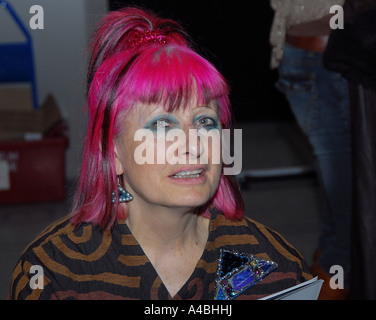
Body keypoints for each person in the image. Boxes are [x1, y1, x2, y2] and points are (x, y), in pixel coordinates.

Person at [9, 7, 311, 300]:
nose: (193, 145)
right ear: (111, 152)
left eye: (205, 121)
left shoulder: (276, 270)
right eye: (163, 125)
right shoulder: (54, 276)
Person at [270, 0, 352, 299]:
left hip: (301, 50)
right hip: (330, 58)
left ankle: (327, 261)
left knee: (335, 167)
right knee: (347, 176)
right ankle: (335, 273)